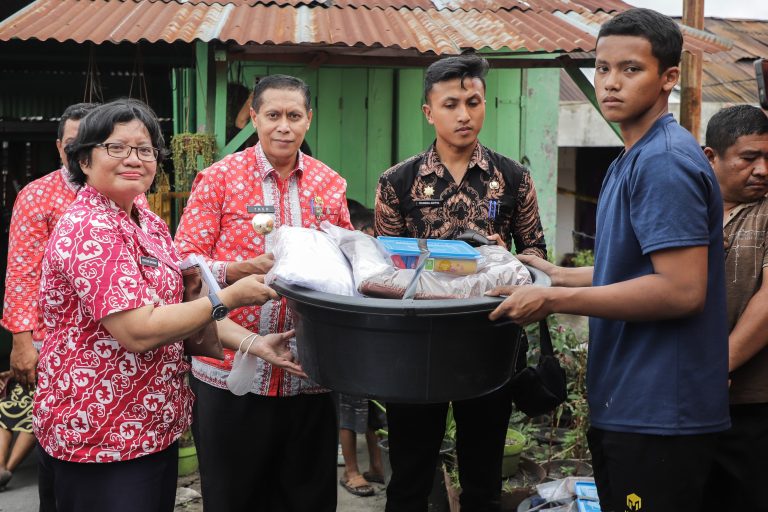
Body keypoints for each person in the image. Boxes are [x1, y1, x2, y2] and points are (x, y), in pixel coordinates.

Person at [488, 9, 730, 512]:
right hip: (635, 402)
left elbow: (682, 290)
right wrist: (558, 273)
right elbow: (638, 270)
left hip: (661, 409)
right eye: (602, 68)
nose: (611, 82)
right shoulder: (634, 155)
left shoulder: (664, 162)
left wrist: (555, 298)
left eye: (630, 69)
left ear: (668, 78)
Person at [34, 98, 302, 512]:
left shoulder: (145, 217)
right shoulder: (88, 227)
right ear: (84, 160)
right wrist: (227, 297)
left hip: (150, 426)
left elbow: (181, 310)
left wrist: (253, 343)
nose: (133, 159)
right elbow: (140, 330)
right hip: (101, 433)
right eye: (117, 147)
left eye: (144, 150)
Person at [374, 53, 546, 512]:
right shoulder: (398, 182)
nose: (464, 114)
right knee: (409, 477)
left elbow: (537, 260)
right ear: (429, 112)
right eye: (451, 104)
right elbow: (381, 271)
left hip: (490, 341)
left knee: (483, 480)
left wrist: (501, 255)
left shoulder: (513, 177)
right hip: (417, 346)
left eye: (474, 101)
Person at [174, 74, 352, 512]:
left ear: (309, 120)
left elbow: (346, 260)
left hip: (306, 371)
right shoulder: (218, 178)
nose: (283, 126)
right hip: (230, 369)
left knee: (306, 498)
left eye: (294, 116)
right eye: (273, 115)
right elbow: (181, 259)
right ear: (254, 118)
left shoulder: (330, 185)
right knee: (234, 497)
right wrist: (235, 270)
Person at [1, 102, 99, 492]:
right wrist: (21, 341)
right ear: (60, 147)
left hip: (114, 337)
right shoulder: (37, 195)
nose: (79, 152)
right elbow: (21, 273)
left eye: (89, 143)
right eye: (73, 143)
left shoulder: (123, 192)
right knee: (59, 435)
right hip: (52, 339)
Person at [700, 105, 768, 512]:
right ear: (712, 157)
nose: (762, 169)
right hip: (687, 402)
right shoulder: (691, 210)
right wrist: (557, 278)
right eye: (749, 158)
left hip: (753, 405)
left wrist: (718, 365)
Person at [337, 200, 386, 497]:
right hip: (350, 352)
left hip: (375, 351)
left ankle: (377, 466)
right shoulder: (343, 267)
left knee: (374, 416)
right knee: (349, 413)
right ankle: (352, 472)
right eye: (369, 233)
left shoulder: (376, 263)